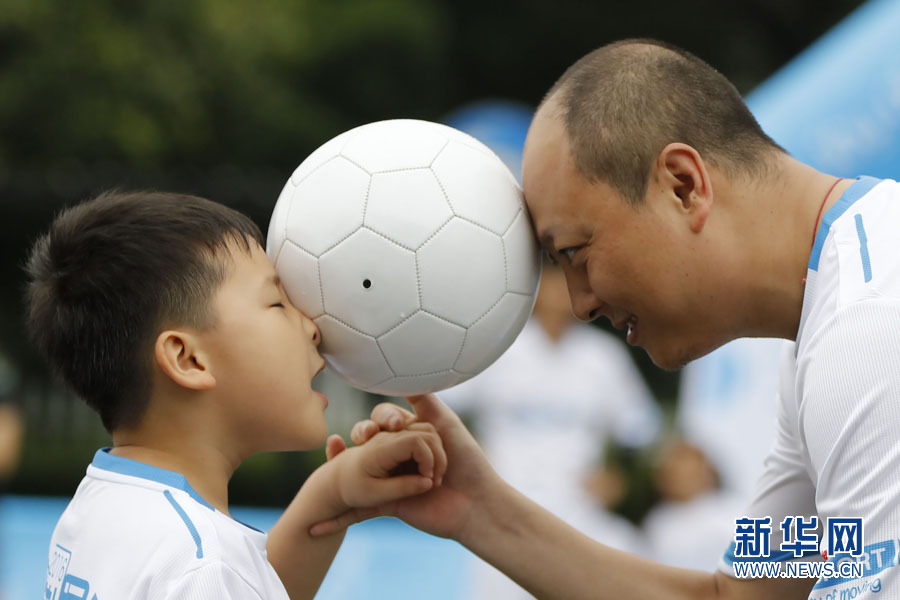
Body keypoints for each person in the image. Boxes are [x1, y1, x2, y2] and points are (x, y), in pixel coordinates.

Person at [312, 38, 900, 599]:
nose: (580, 303)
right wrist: (480, 511)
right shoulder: (832, 320)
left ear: (683, 185)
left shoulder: (868, 328)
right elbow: (745, 596)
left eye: (575, 253)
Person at [26, 190, 446, 599]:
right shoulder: (202, 566)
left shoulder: (103, 504)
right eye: (277, 303)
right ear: (188, 359)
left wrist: (333, 497)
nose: (312, 327)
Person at [440, 261, 657, 597]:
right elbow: (439, 402)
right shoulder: (500, 346)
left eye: (567, 286)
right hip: (503, 498)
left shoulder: (602, 357)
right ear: (534, 291)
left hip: (579, 503)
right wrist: (469, 447)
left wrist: (618, 473)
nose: (558, 295)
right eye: (551, 284)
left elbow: (641, 429)